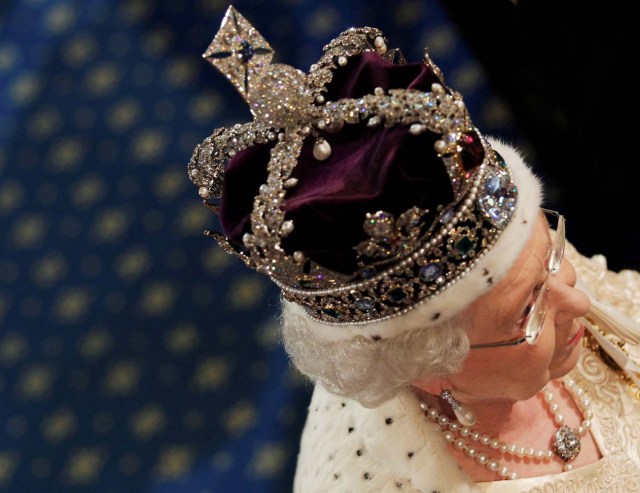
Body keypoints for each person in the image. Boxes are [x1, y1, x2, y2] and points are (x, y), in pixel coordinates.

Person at [189, 7, 640, 491]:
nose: (580, 301)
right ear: (429, 368)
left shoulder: (530, 283)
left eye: (553, 250)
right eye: (527, 313)